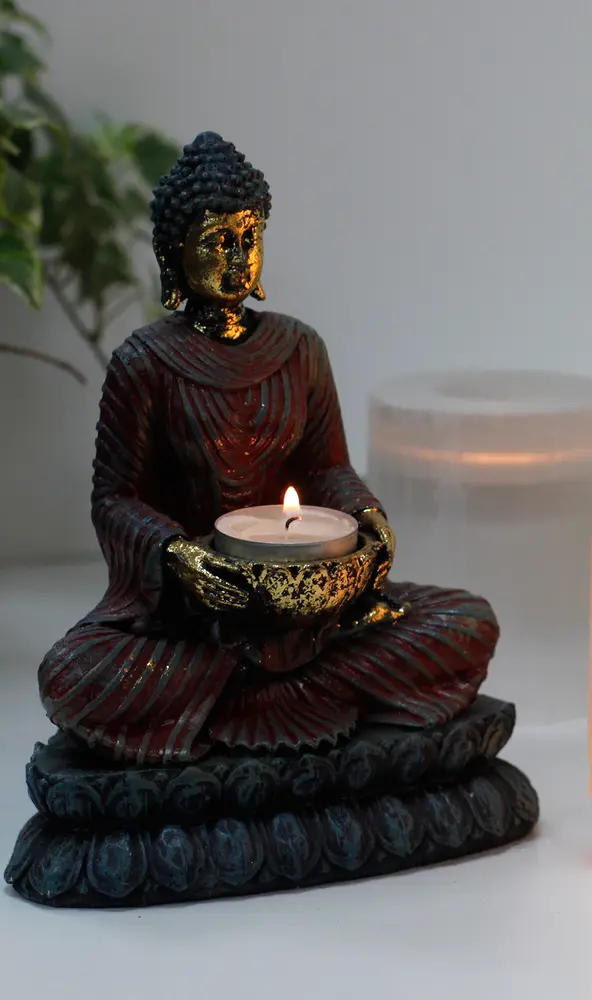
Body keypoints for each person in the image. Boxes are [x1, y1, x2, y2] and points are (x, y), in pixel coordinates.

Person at [39, 132, 497, 765]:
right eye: (217, 241)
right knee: (72, 675)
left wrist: (367, 518)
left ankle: (248, 696)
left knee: (467, 621)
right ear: (174, 253)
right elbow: (115, 499)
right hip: (200, 620)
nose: (238, 258)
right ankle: (289, 690)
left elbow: (327, 467)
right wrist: (179, 557)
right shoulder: (144, 363)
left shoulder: (299, 348)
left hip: (313, 611)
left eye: (249, 237)